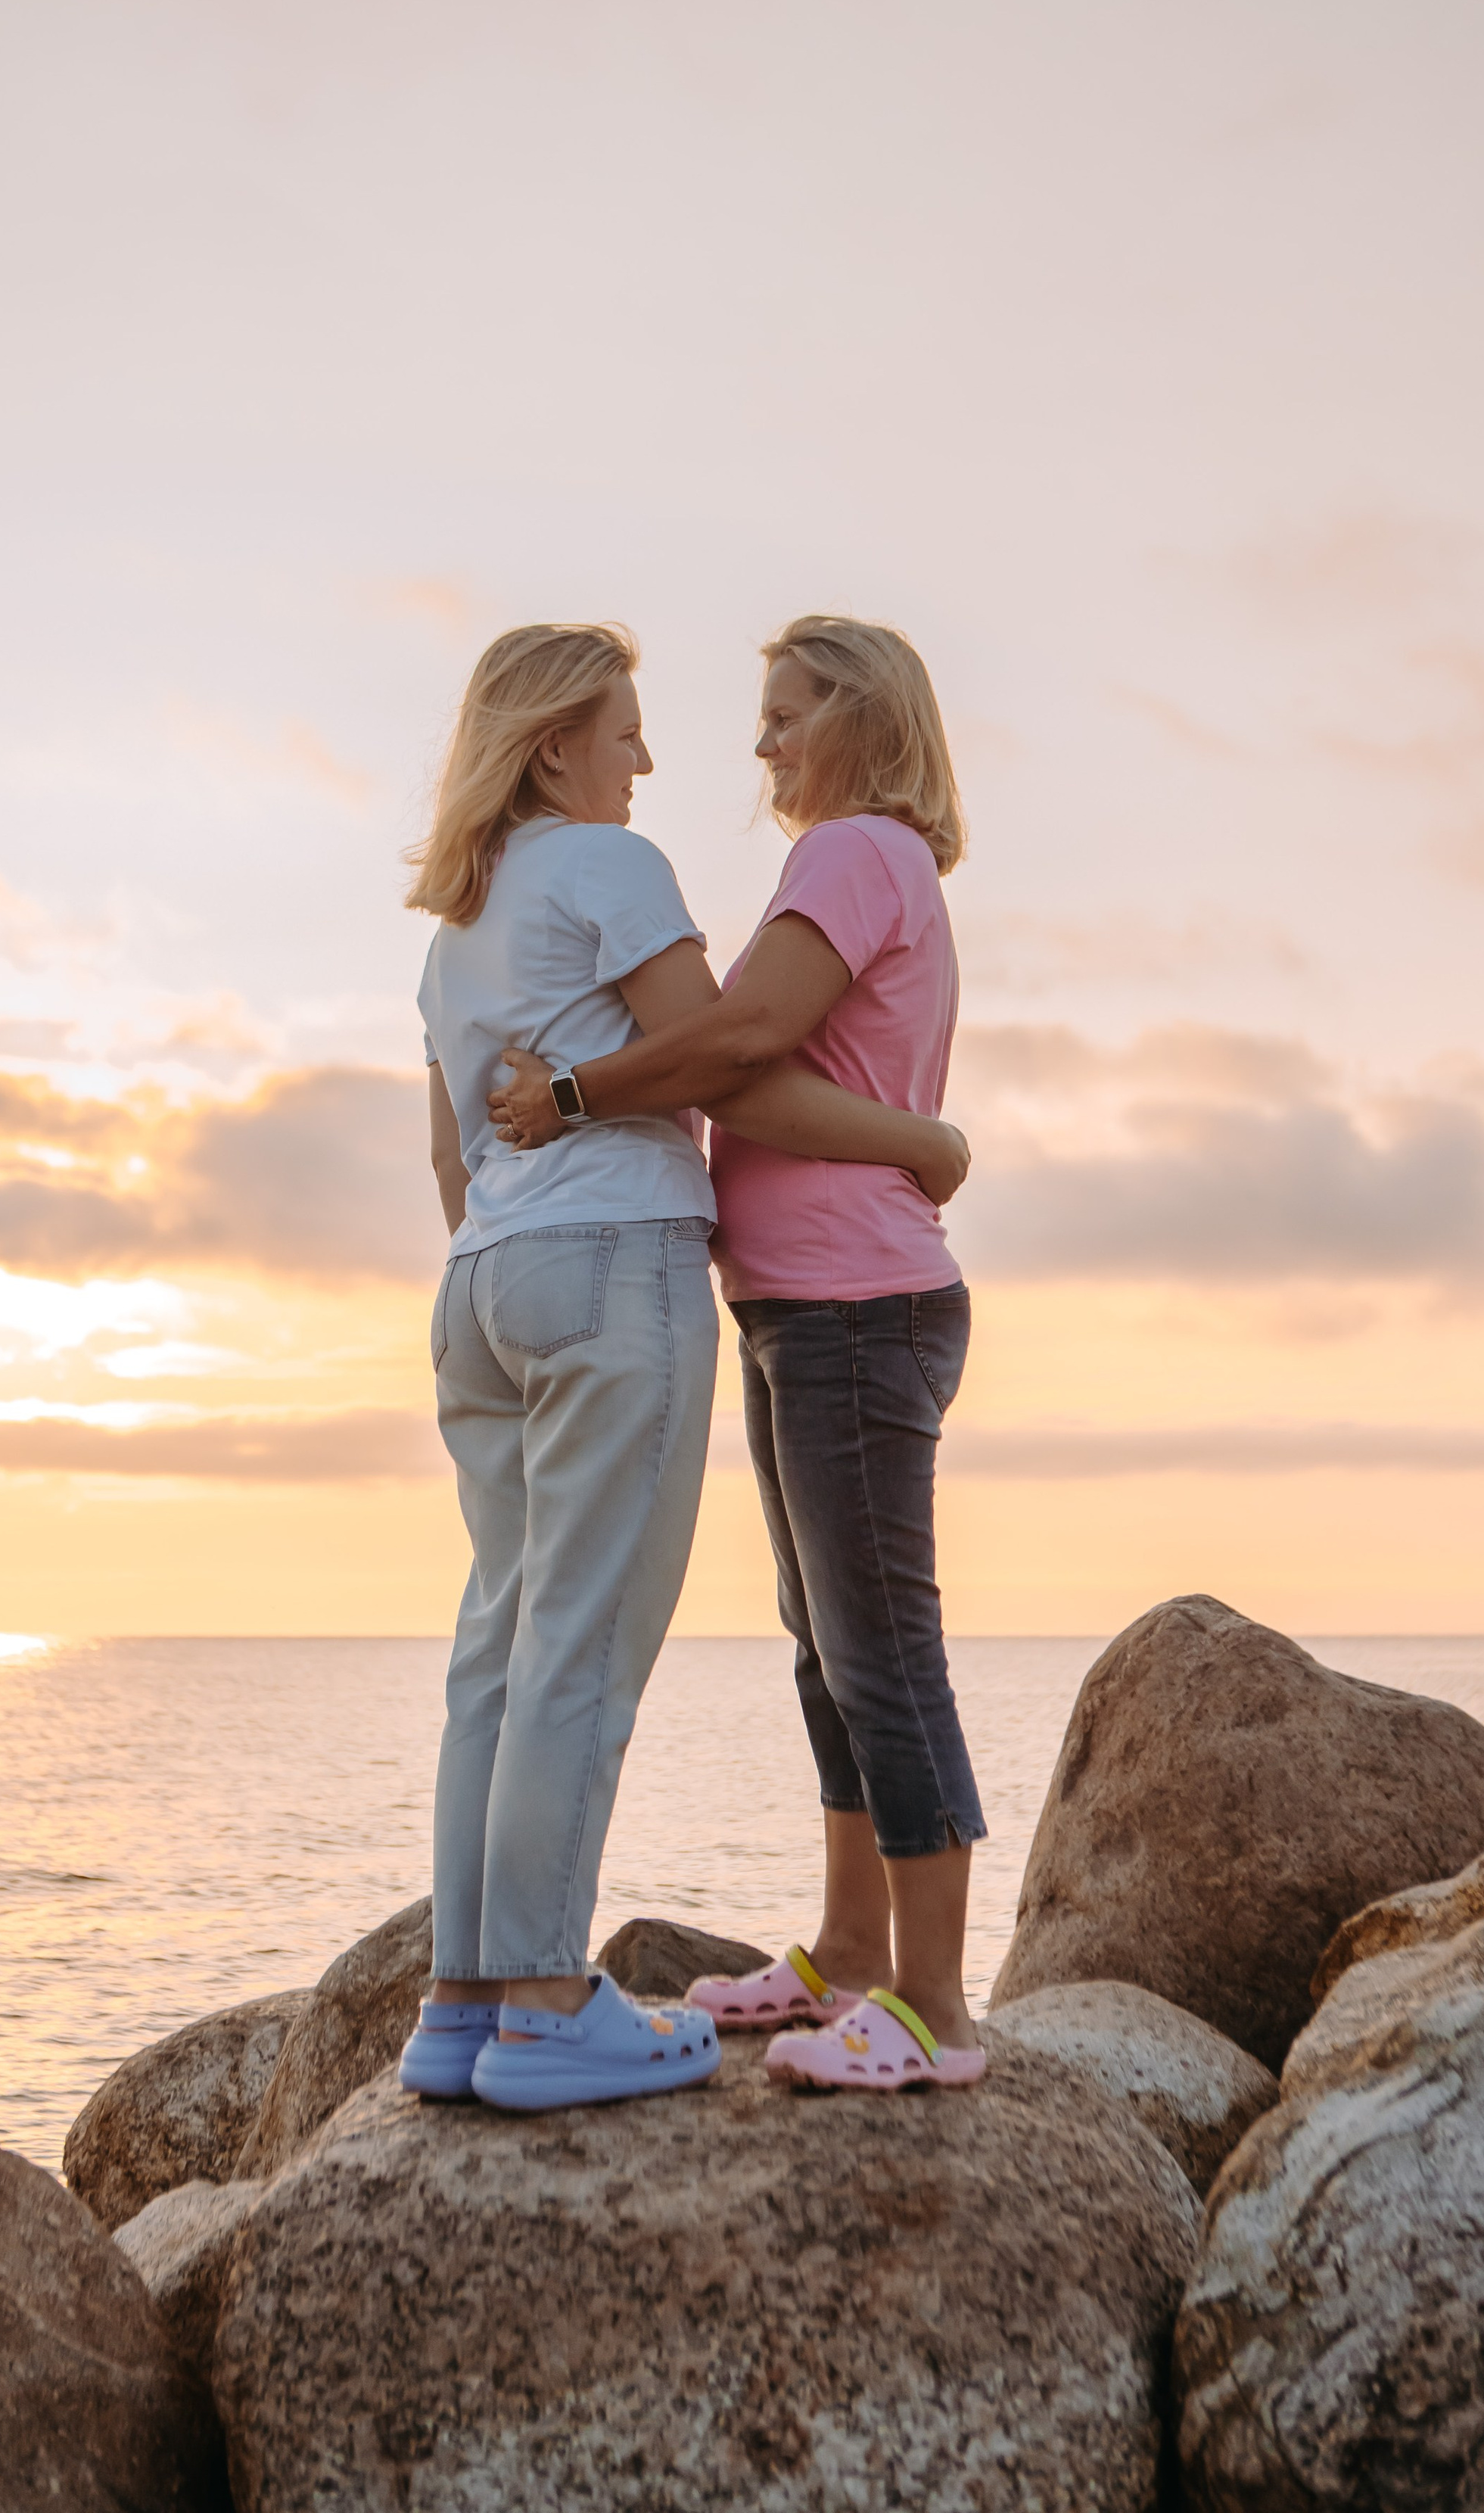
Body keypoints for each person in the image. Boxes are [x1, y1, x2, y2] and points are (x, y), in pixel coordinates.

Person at [399, 620, 969, 2113]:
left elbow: (450, 1151)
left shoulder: (451, 929)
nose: (649, 759)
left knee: (496, 1647)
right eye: (623, 732)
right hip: (612, 1265)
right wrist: (919, 1141)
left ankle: (460, 2004)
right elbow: (719, 1047)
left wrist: (517, 1243)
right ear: (552, 749)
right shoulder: (612, 870)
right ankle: (542, 2007)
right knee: (581, 1644)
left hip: (484, 1285)